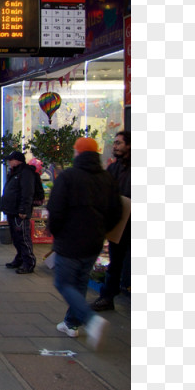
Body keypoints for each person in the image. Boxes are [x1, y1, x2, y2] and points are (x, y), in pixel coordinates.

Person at [47, 137, 122, 350]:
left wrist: (56, 232)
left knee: (63, 283)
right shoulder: (107, 178)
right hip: (94, 241)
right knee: (80, 282)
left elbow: (56, 208)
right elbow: (117, 211)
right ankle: (71, 324)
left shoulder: (68, 177)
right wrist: (102, 231)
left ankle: (90, 320)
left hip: (69, 240)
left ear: (78, 153)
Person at [92, 130, 131, 311]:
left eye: (119, 143)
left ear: (129, 146)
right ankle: (108, 297)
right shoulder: (114, 168)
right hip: (121, 223)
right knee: (115, 261)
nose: (114, 146)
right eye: (114, 143)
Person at [0, 151, 37, 274]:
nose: (9, 162)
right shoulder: (15, 172)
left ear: (17, 161)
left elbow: (27, 192)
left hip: (19, 212)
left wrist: (23, 209)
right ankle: (20, 258)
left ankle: (29, 262)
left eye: (10, 160)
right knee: (16, 238)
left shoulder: (25, 173)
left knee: (23, 237)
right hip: (12, 210)